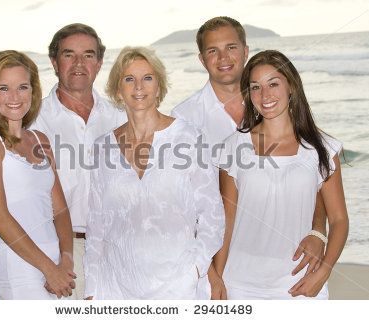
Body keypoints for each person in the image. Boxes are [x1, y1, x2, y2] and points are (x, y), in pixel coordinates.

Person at [171, 16, 328, 299]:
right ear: (201, 59)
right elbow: (179, 204)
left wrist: (318, 232)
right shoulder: (184, 119)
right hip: (214, 265)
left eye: (231, 47)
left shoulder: (275, 103)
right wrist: (210, 271)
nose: (223, 58)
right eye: (212, 50)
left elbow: (312, 177)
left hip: (284, 266)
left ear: (245, 50)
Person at [83, 47, 225, 299]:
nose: (139, 86)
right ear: (118, 90)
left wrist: (194, 270)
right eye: (129, 79)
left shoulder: (189, 138)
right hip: (116, 286)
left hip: (179, 287)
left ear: (159, 87)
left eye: (148, 78)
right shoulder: (102, 148)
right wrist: (92, 289)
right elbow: (96, 225)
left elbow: (212, 216)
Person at [218, 50, 349, 299]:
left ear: (291, 87)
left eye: (273, 84)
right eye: (255, 87)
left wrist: (323, 273)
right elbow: (226, 221)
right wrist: (217, 278)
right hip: (240, 285)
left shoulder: (322, 148)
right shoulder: (232, 146)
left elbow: (340, 219)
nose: (265, 95)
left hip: (301, 284)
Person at [30, 23, 127, 298]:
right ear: (54, 62)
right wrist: (50, 263)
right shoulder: (34, 120)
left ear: (99, 63)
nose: (79, 63)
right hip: (55, 249)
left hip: (113, 248)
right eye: (69, 54)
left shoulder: (120, 117)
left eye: (88, 55)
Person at [0, 50, 75, 299]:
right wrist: (49, 270)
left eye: (23, 87)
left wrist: (67, 260)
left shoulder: (41, 140)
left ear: (33, 91)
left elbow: (59, 210)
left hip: (56, 264)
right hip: (19, 267)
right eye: (4, 88)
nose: (14, 97)